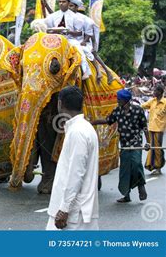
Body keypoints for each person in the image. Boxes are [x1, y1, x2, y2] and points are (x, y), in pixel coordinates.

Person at [46, 86, 99, 230]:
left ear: (60, 103)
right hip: (78, 211)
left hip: (73, 214)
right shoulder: (84, 128)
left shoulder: (77, 132)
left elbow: (76, 173)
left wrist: (64, 208)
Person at [92, 89, 149, 203]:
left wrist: (148, 142)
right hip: (124, 144)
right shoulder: (117, 110)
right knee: (125, 169)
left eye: (119, 99)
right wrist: (93, 122)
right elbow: (108, 121)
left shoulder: (138, 110)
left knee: (136, 164)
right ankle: (126, 195)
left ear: (126, 100)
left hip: (135, 143)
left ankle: (141, 187)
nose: (117, 101)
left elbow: (145, 127)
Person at [43, 0, 90, 80]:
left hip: (70, 40)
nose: (61, 3)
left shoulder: (75, 17)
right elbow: (47, 28)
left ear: (68, 3)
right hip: (55, 40)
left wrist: (68, 32)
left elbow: (79, 33)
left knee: (79, 50)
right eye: (60, 2)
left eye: (63, 2)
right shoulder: (53, 16)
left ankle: (85, 71)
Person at [142, 84, 166, 175]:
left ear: (160, 92)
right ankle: (153, 166)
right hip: (151, 128)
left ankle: (158, 167)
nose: (153, 92)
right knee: (152, 148)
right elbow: (142, 106)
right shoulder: (152, 101)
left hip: (159, 129)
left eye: (155, 91)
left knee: (157, 148)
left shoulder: (165, 102)